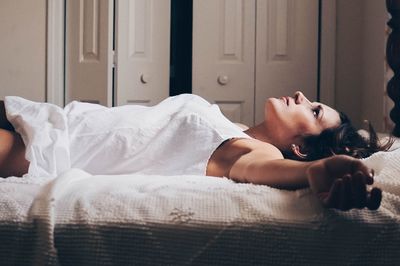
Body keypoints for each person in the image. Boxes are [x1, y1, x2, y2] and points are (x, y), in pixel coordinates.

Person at [0, 92, 392, 211]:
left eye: (315, 111)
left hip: (33, 148)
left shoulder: (249, 150)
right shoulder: (234, 128)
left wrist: (319, 170)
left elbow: (261, 169)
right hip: (40, 118)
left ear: (299, 149)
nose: (304, 98)